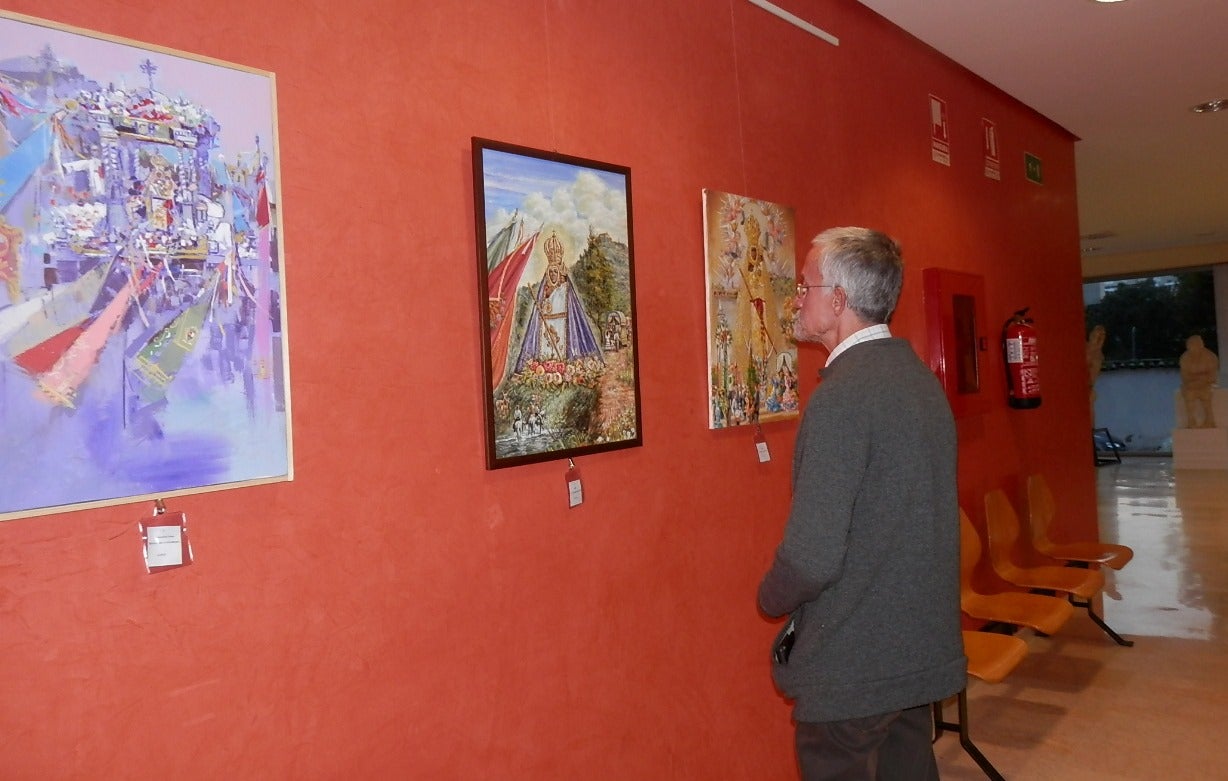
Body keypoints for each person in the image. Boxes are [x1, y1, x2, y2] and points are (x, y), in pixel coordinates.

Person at [758, 227, 966, 780]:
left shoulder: (842, 398)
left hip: (854, 664)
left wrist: (771, 595)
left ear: (838, 300)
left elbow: (812, 557)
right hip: (914, 651)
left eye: (804, 286)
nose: (796, 300)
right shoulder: (919, 382)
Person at [1179, 334, 1219, 428]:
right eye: (1190, 347)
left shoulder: (1210, 357)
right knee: (1189, 395)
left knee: (1206, 395)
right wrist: (1195, 380)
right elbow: (1185, 376)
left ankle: (1209, 420)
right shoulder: (1184, 358)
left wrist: (1201, 379)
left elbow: (1212, 375)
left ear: (1201, 345)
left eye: (1195, 346)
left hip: (1206, 384)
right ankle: (1191, 421)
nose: (1192, 349)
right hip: (1191, 385)